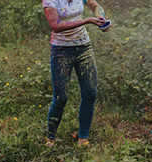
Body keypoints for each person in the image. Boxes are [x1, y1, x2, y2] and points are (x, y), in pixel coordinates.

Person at [42, 0, 110, 147]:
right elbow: (55, 25)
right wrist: (87, 20)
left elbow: (95, 6)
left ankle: (83, 138)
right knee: (61, 97)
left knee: (90, 92)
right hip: (61, 51)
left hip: (84, 47)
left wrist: (101, 18)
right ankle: (50, 139)